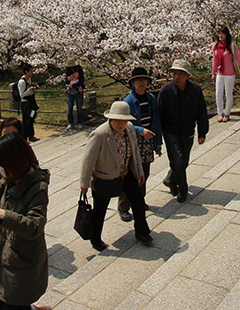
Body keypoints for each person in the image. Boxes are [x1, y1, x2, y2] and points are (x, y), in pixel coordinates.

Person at [0, 133, 51, 310]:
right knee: (0, 300)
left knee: (14, 303)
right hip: (4, 255)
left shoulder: (37, 188)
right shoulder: (10, 179)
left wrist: (3, 215)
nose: (1, 169)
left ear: (15, 162)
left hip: (22, 262)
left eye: (3, 165)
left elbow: (35, 226)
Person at [80, 101, 154, 251]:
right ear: (111, 119)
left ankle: (142, 232)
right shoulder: (100, 134)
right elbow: (88, 160)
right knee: (100, 209)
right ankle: (96, 239)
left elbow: (135, 153)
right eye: (117, 120)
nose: (121, 124)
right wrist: (84, 183)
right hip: (105, 176)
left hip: (126, 172)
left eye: (124, 120)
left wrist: (139, 172)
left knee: (138, 201)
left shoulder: (130, 129)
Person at [158, 59, 209, 203]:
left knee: (184, 161)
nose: (176, 77)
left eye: (181, 74)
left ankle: (170, 180)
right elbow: (159, 114)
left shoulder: (195, 90)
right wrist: (158, 138)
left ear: (188, 76)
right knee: (177, 161)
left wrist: (202, 132)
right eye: (174, 73)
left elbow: (201, 112)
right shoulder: (166, 91)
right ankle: (183, 188)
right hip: (170, 131)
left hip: (188, 131)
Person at [118, 67, 162, 222]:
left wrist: (157, 143)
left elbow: (156, 121)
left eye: (144, 80)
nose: (141, 83)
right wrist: (140, 130)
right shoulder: (127, 102)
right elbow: (123, 123)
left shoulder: (151, 99)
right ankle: (123, 207)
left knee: (145, 173)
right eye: (138, 80)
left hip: (148, 141)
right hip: (132, 140)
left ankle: (140, 200)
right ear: (133, 83)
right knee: (131, 175)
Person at [211, 26, 240, 122]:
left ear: (227, 35)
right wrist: (213, 73)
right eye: (219, 33)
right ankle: (220, 113)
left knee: (228, 94)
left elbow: (238, 58)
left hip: (229, 74)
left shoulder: (232, 46)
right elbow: (214, 60)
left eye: (222, 33)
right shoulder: (215, 46)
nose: (220, 36)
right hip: (219, 73)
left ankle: (227, 113)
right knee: (218, 94)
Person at [16, 64, 39, 142]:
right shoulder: (22, 81)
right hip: (25, 103)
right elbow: (21, 95)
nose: (32, 72)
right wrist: (29, 89)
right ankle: (24, 138)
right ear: (26, 71)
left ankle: (31, 135)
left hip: (31, 102)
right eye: (31, 71)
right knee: (26, 121)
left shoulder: (29, 79)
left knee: (31, 119)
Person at [64, 60, 84, 129]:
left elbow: (81, 80)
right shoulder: (67, 71)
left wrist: (74, 86)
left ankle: (79, 123)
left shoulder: (79, 70)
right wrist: (69, 79)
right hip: (70, 92)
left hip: (78, 91)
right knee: (69, 109)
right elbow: (66, 81)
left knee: (79, 108)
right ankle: (70, 123)